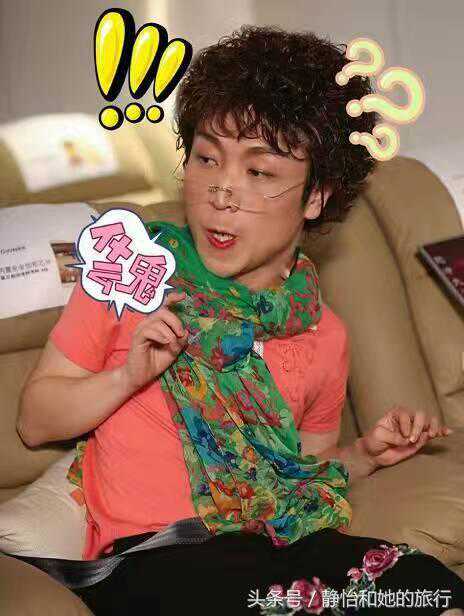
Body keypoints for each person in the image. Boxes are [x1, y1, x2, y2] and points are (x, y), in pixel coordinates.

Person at [17, 25, 464, 616]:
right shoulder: (129, 276)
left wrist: (367, 455)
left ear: (316, 197)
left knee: (429, 588)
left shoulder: (324, 335)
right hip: (161, 559)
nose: (221, 192)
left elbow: (299, 475)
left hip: (276, 547)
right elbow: (34, 421)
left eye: (259, 173)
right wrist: (126, 378)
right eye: (207, 159)